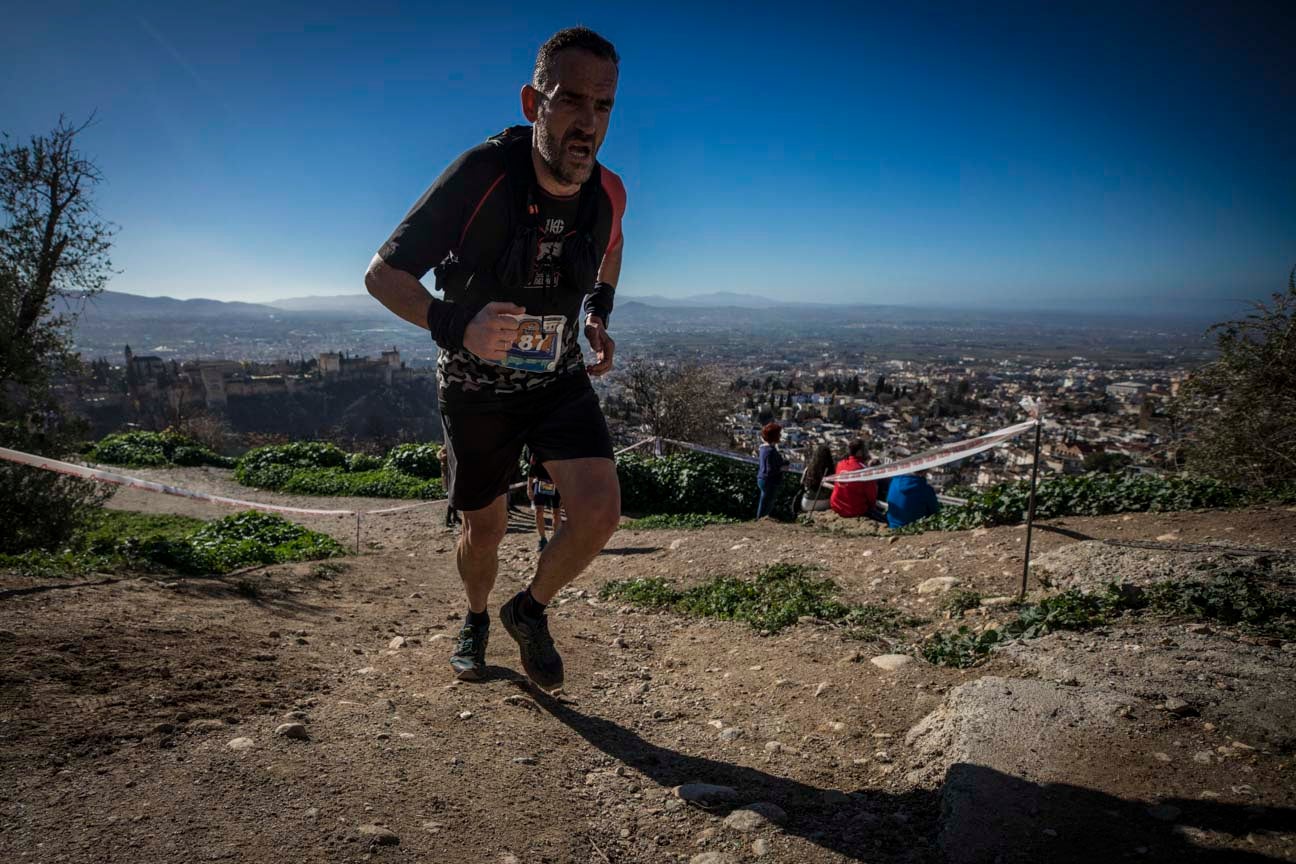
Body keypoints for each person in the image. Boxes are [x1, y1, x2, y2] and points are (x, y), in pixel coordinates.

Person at [365, 27, 626, 690]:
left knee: (598, 510)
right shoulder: (480, 175)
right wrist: (457, 325)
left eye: (603, 107)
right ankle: (478, 615)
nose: (586, 123)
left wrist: (598, 312)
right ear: (532, 102)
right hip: (475, 385)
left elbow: (613, 247)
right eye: (570, 101)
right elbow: (382, 275)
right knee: (485, 530)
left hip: (556, 379)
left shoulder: (608, 193)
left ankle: (527, 611)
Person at [829, 439, 879, 519]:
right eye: (865, 449)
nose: (867, 452)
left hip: (836, 505)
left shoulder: (840, 464)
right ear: (859, 452)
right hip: (853, 509)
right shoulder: (863, 470)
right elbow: (872, 495)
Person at [527, 449, 561, 551]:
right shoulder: (537, 452)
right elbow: (531, 471)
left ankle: (556, 540)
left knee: (556, 513)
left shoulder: (560, 451)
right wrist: (529, 488)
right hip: (540, 483)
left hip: (557, 484)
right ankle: (542, 539)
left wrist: (565, 491)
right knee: (538, 512)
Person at [756, 422, 786, 519]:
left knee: (763, 502)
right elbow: (770, 469)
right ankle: (760, 521)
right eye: (779, 434)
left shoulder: (763, 448)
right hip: (769, 481)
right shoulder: (770, 451)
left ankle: (760, 520)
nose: (781, 436)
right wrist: (782, 468)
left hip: (762, 478)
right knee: (766, 505)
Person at [799, 444, 834, 512]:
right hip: (825, 503)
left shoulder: (808, 469)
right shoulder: (831, 470)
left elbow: (801, 482)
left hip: (807, 504)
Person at [438, 447, 459, 527]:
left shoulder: (445, 454)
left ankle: (454, 517)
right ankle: (448, 519)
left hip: (451, 478)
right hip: (450, 479)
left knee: (454, 497)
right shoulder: (445, 455)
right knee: (452, 498)